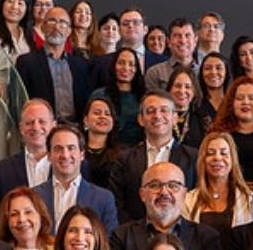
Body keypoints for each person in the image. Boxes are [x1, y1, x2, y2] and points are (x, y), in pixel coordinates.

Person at [110, 162, 224, 250]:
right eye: (155, 185)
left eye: (173, 186)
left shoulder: (207, 237)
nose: (164, 192)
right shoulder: (121, 236)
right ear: (142, 194)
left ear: (184, 194)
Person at [109, 91, 198, 223]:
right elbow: (116, 202)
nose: (157, 116)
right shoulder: (125, 159)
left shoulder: (193, 157)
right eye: (150, 111)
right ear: (140, 119)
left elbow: (198, 200)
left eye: (164, 110)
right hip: (135, 235)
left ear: (175, 118)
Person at [0, 99, 56, 233]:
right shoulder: (3, 169)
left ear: (54, 125)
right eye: (29, 123)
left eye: (42, 122)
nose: (36, 127)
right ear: (21, 128)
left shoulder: (71, 165)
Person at [32, 125, 118, 235]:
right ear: (49, 156)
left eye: (71, 148)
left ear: (82, 155)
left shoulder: (104, 199)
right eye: (58, 149)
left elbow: (108, 244)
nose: (65, 155)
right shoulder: (33, 197)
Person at [182, 132, 253, 248]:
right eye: (210, 153)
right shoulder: (188, 200)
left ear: (233, 159)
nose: (217, 158)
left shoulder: (249, 199)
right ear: (203, 160)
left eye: (224, 153)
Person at [14, 7, 92, 123]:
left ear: (69, 31)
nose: (56, 27)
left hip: (75, 131)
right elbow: (18, 102)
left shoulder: (80, 65)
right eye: (51, 21)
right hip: (41, 130)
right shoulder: (26, 62)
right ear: (43, 27)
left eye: (63, 22)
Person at [90, 8, 168, 84]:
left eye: (136, 23)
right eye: (125, 23)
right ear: (119, 30)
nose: (130, 26)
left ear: (145, 30)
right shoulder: (101, 63)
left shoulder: (163, 62)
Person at [90, 47, 147, 146]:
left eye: (131, 64)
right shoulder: (100, 95)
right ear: (113, 66)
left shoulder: (144, 97)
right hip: (106, 150)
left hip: (137, 151)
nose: (126, 68)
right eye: (121, 63)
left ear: (136, 69)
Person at [145, 18, 200, 93]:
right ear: (168, 42)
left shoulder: (204, 73)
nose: (183, 41)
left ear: (195, 41)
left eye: (187, 35)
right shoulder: (155, 73)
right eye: (177, 36)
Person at [81, 95, 121, 190]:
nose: (102, 117)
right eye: (97, 113)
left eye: (107, 114)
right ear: (85, 120)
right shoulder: (75, 151)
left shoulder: (122, 154)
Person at [168, 66, 209, 149]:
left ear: (194, 91)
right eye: (177, 86)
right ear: (169, 89)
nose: (182, 91)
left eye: (187, 87)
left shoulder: (203, 117)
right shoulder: (161, 115)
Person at [195, 52, 228, 124]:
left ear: (226, 72)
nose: (213, 72)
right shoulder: (195, 105)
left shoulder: (235, 102)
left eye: (219, 68)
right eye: (208, 68)